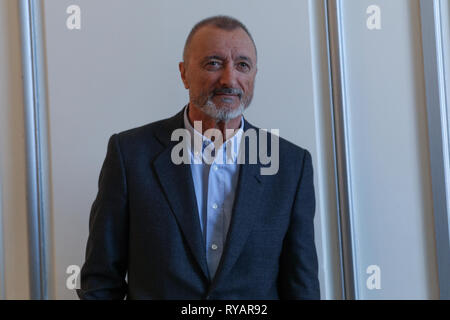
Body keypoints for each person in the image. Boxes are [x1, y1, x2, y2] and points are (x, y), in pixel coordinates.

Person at [77, 15, 320, 300]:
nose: (229, 79)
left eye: (242, 65)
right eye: (213, 63)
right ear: (183, 74)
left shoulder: (291, 166)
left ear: (254, 75)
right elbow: (101, 280)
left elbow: (301, 286)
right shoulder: (130, 154)